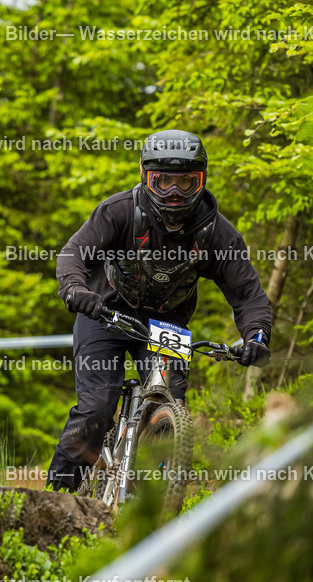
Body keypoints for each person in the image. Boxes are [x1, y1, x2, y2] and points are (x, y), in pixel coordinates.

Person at [47, 129, 273, 492]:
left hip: (166, 323)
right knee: (97, 407)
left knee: (169, 405)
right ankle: (57, 496)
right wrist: (75, 289)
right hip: (104, 314)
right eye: (162, 181)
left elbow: (248, 295)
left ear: (201, 180)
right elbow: (73, 254)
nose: (174, 193)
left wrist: (256, 337)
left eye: (186, 182)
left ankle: (152, 500)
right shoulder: (118, 211)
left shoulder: (217, 233)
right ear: (144, 175)